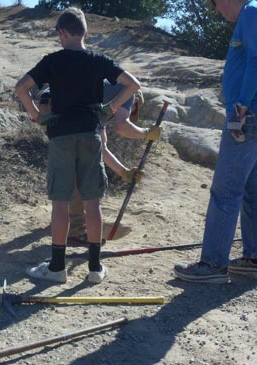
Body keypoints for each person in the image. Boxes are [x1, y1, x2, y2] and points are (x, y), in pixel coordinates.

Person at [15, 7, 140, 284]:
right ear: (85, 32)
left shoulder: (52, 61)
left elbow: (20, 88)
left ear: (62, 32)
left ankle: (57, 267)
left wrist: (37, 115)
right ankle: (95, 268)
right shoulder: (98, 60)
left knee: (60, 202)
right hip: (90, 134)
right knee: (91, 202)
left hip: (61, 135)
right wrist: (110, 108)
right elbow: (133, 84)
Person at [174, 0, 257, 284]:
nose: (217, 12)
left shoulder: (251, 12)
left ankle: (212, 265)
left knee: (226, 191)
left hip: (248, 116)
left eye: (215, 5)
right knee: (251, 190)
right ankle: (253, 259)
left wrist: (242, 106)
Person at [66, 83, 160, 245]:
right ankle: (75, 232)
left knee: (74, 167)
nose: (128, 112)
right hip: (68, 114)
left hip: (57, 109)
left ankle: (66, 222)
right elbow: (121, 126)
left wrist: (124, 172)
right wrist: (145, 134)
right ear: (136, 101)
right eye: (131, 110)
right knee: (85, 174)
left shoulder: (101, 100)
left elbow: (100, 148)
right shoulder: (128, 92)